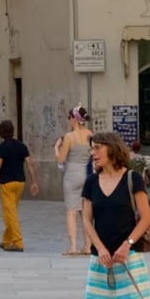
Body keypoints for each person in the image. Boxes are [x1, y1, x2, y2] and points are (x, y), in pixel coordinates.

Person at [55, 131, 150, 299]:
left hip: (127, 256)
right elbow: (86, 219)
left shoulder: (132, 179)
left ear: (112, 149)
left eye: (97, 148)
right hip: (101, 257)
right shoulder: (90, 182)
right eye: (92, 149)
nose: (93, 153)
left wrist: (127, 244)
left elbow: (145, 217)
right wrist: (98, 247)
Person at [0, 119, 38, 252]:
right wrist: (33, 181)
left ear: (1, 133)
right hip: (20, 182)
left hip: (7, 183)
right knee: (11, 211)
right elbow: (29, 164)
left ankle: (17, 241)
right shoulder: (21, 146)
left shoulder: (1, 148)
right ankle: (6, 239)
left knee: (10, 213)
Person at [54, 104, 93, 255]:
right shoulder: (90, 134)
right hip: (87, 175)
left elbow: (61, 160)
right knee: (85, 212)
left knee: (71, 211)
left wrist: (57, 148)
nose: (68, 120)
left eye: (69, 118)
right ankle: (88, 246)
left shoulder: (69, 137)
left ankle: (73, 246)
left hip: (72, 175)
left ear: (75, 119)